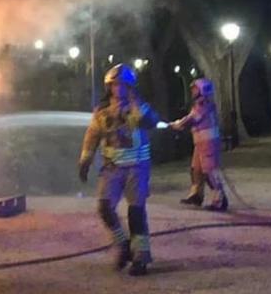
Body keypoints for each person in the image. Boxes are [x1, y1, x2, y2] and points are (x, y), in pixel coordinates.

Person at [78, 63, 160, 276]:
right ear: (108, 87)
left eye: (122, 85)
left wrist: (136, 106)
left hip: (137, 168)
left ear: (130, 87)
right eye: (114, 85)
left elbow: (152, 121)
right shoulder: (102, 112)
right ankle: (123, 245)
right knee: (104, 208)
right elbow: (92, 135)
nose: (118, 89)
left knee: (136, 212)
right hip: (112, 169)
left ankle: (140, 257)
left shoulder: (139, 108)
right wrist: (85, 159)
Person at [171, 77, 228, 211]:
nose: (193, 92)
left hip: (208, 143)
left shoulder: (204, 104)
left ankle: (219, 199)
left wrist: (178, 124)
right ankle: (196, 194)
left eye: (195, 89)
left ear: (202, 90)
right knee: (196, 169)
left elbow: (193, 118)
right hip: (201, 143)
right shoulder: (200, 103)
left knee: (209, 172)